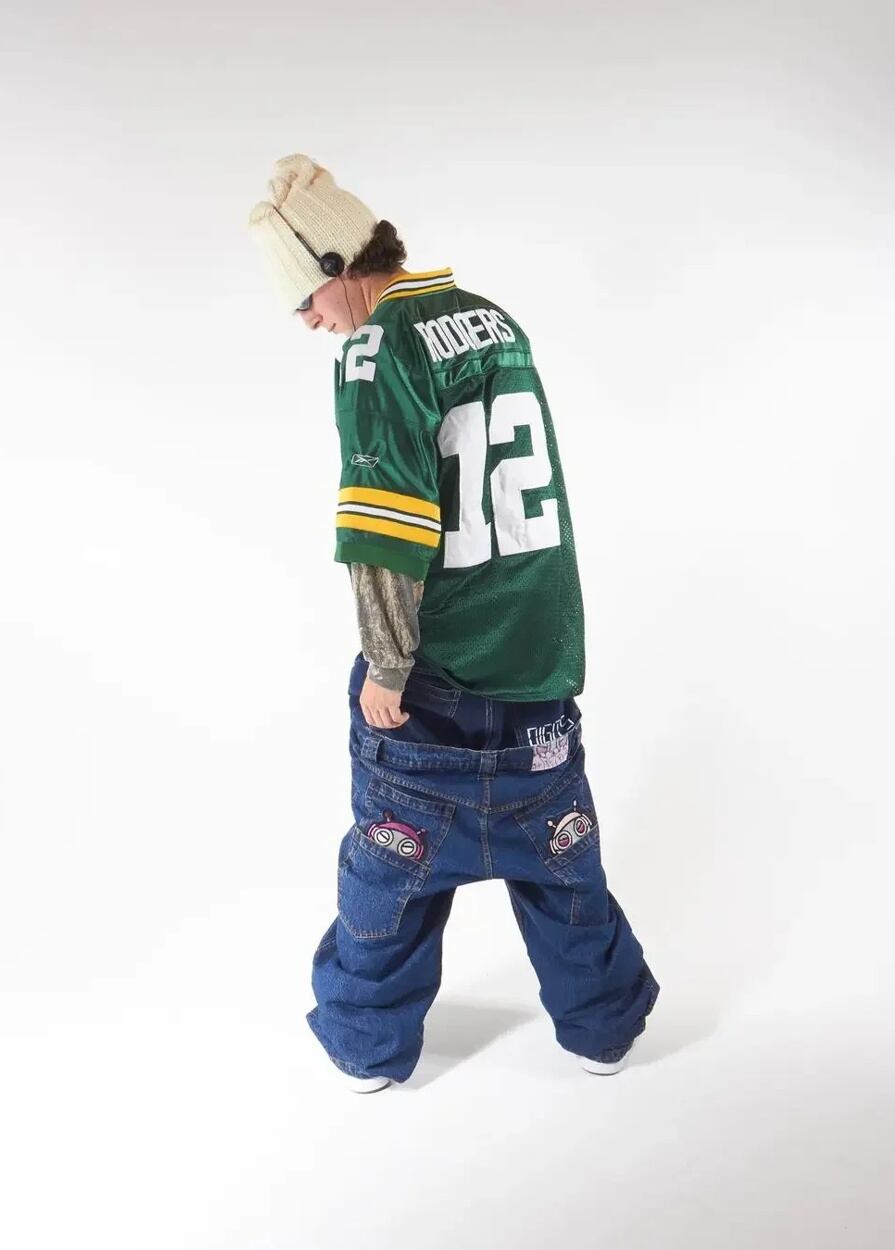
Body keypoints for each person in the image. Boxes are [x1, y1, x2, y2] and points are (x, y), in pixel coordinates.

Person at [248, 153, 660, 1093]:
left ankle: (366, 1048)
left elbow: (383, 522)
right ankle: (603, 1034)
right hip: (540, 666)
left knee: (387, 884)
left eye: (305, 298)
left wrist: (388, 663)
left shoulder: (376, 346)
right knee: (564, 875)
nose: (307, 320)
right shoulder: (492, 319)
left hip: (438, 684)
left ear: (338, 265)